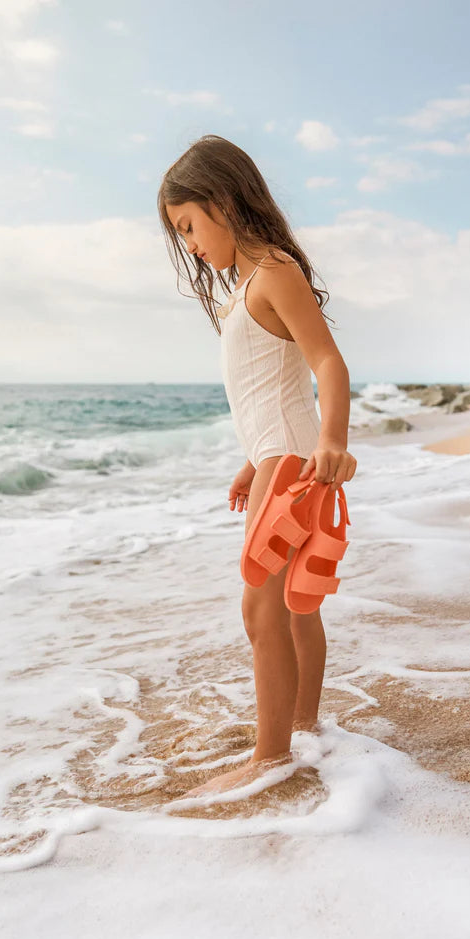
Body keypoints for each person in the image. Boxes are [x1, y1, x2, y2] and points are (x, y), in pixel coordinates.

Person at [157, 134, 357, 798]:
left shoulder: (274, 271)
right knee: (295, 606)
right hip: (276, 454)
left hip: (293, 457)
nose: (189, 243)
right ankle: (302, 726)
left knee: (260, 609)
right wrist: (251, 462)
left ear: (222, 199)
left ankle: (269, 756)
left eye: (189, 225)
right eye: (179, 233)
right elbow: (266, 382)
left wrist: (332, 439)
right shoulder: (246, 287)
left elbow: (327, 362)